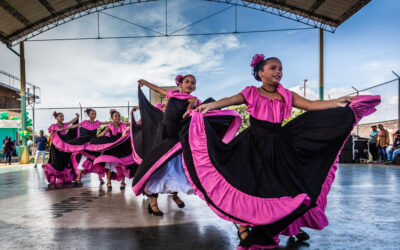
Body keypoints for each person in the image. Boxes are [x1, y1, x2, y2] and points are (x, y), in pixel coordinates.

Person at [184, 54, 380, 249]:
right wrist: (208, 106)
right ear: (260, 73)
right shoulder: (251, 92)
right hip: (252, 145)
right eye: (273, 68)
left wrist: (337, 102)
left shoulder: (287, 94)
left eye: (280, 69)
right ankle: (244, 225)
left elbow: (311, 105)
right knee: (249, 184)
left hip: (279, 145)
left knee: (284, 187)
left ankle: (289, 225)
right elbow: (229, 100)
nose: (278, 71)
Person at [132, 75, 201, 216]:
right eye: (187, 81)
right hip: (163, 134)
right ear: (180, 84)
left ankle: (175, 195)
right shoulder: (172, 94)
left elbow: (191, 106)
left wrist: (189, 109)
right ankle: (153, 202)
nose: (190, 84)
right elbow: (157, 89)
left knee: (177, 168)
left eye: (193, 83)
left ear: (194, 87)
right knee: (158, 166)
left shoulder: (193, 99)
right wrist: (145, 82)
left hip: (178, 136)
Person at [56, 108, 109, 186]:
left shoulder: (97, 123)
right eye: (92, 114)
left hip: (94, 143)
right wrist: (62, 129)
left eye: (95, 114)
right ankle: (78, 178)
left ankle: (100, 178)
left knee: (97, 160)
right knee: (84, 159)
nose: (94, 115)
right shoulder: (85, 122)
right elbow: (73, 126)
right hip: (86, 143)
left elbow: (108, 122)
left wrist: (116, 122)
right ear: (88, 115)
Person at [43, 111, 79, 184]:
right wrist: (56, 145)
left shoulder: (65, 125)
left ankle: (63, 176)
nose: (62, 118)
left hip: (63, 145)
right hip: (56, 146)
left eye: (63, 116)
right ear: (56, 118)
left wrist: (77, 117)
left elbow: (71, 122)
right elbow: (52, 136)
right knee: (56, 161)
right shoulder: (54, 126)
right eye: (60, 116)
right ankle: (54, 175)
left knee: (65, 160)